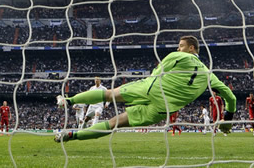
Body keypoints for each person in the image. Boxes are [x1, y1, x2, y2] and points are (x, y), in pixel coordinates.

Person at [55, 36, 237, 143]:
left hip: (150, 88)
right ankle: (72, 135)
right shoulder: (209, 76)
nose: (178, 48)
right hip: (162, 108)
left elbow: (157, 72)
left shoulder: (180, 56)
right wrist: (227, 119)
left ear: (191, 48)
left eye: (181, 45)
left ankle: (68, 100)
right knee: (114, 123)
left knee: (109, 94)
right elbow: (231, 97)